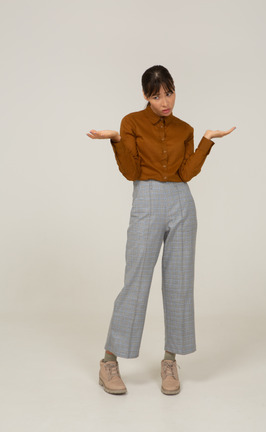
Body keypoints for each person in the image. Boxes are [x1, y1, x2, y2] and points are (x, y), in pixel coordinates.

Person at [86, 65, 236, 396]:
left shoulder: (185, 128)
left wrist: (206, 141)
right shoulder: (132, 123)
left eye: (169, 93)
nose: (165, 101)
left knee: (179, 283)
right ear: (145, 96)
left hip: (182, 203)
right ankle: (108, 362)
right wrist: (114, 140)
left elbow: (186, 172)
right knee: (136, 281)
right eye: (156, 96)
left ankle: (169, 360)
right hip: (147, 199)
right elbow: (129, 171)